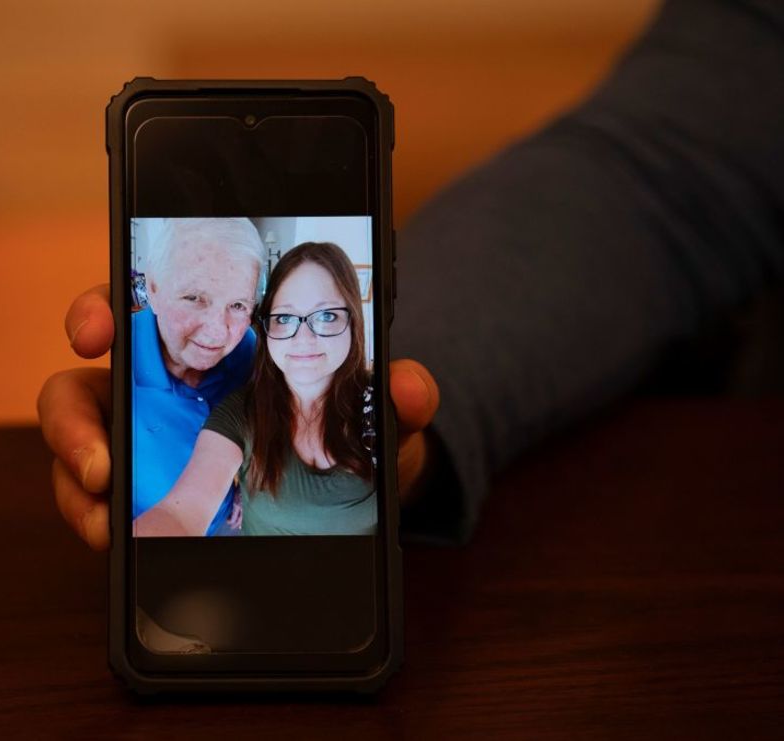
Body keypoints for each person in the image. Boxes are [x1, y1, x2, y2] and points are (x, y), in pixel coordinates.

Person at [39, 0, 784, 549]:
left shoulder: (281, 386)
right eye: (283, 318)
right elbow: (657, 175)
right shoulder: (248, 399)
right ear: (150, 287)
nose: (225, 330)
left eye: (246, 305)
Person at [135, 242, 377, 536]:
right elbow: (182, 512)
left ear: (353, 321)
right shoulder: (241, 411)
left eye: (326, 316)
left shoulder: (378, 400)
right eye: (284, 318)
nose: (303, 338)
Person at [127, 218, 265, 535]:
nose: (218, 332)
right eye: (194, 298)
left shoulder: (246, 348)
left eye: (238, 305)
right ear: (153, 288)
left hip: (226, 522)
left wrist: (247, 485)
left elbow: (257, 423)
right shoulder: (120, 358)